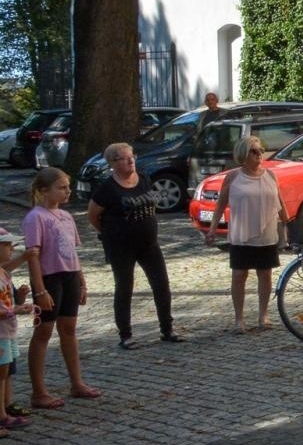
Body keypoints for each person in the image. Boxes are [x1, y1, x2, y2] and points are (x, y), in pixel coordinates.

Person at [88, 142, 182, 348]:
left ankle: (167, 329)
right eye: (124, 157)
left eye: (132, 156)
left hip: (149, 243)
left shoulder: (144, 179)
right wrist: (107, 233)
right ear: (113, 163)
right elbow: (93, 215)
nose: (131, 160)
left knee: (161, 285)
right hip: (121, 246)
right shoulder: (107, 188)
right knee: (124, 287)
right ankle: (126, 334)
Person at [24, 168, 99, 406]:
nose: (67, 191)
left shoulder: (66, 217)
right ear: (44, 191)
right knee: (43, 331)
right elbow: (33, 256)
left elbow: (72, 252)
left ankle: (76, 382)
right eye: (62, 187)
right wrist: (40, 290)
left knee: (69, 328)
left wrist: (81, 280)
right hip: (49, 278)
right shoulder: (36, 217)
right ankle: (39, 391)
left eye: (68, 186)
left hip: (69, 276)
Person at [205, 136, 288, 332]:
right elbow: (221, 205)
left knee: (265, 274)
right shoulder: (233, 176)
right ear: (244, 154)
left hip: (265, 232)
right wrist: (212, 229)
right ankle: (239, 318)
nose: (259, 154)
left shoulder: (270, 175)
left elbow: (280, 202)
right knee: (239, 274)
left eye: (261, 150)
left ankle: (263, 315)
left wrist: (287, 224)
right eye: (254, 151)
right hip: (241, 232)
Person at [0, 229, 34, 433]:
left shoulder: (4, 274)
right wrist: (16, 309)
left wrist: (19, 299)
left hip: (7, 332)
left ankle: (5, 405)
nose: (12, 248)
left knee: (6, 371)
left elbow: (7, 300)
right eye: (6, 245)